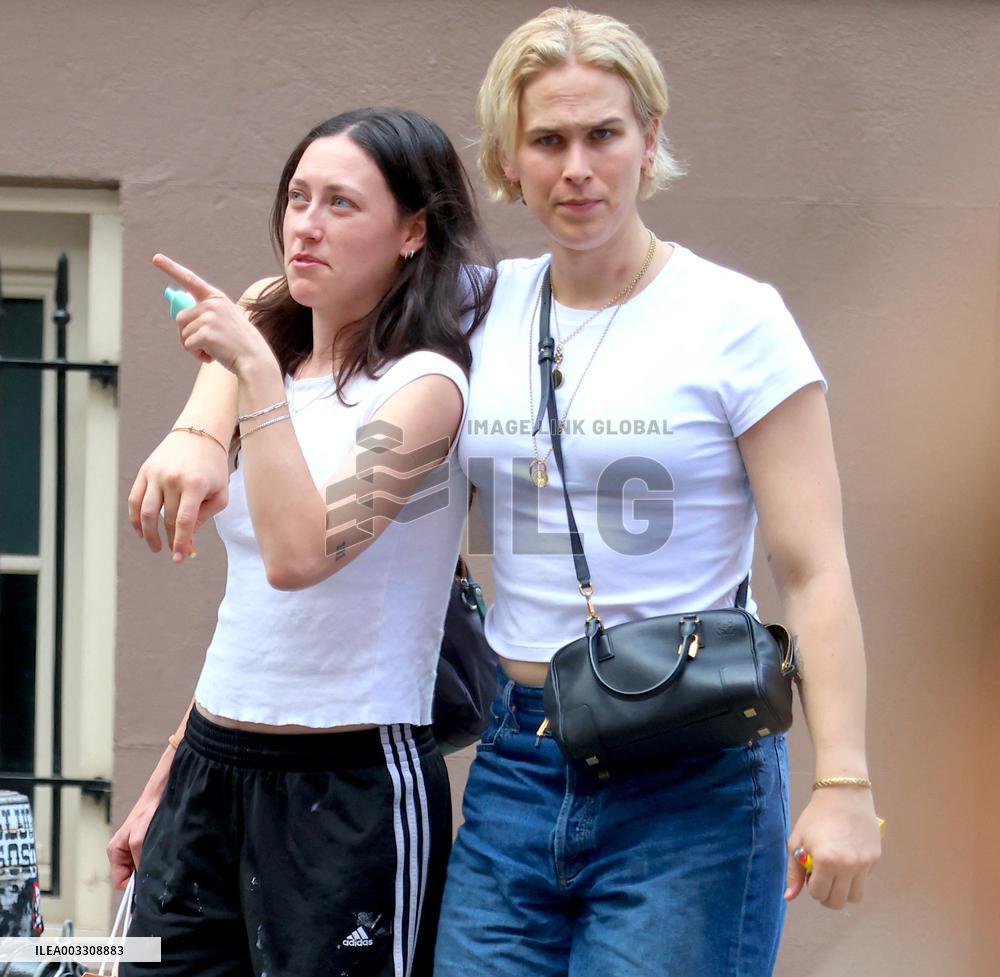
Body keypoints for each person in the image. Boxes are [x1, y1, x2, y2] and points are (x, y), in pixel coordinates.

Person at [123, 9, 882, 976]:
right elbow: (276, 298)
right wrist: (197, 428)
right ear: (505, 163)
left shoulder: (735, 322)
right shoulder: (481, 305)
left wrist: (845, 779)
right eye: (547, 140)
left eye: (604, 134)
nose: (577, 168)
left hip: (691, 766)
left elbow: (813, 569)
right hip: (524, 762)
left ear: (649, 142)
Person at [110, 106, 495, 977]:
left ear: (412, 231)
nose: (306, 225)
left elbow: (298, 555)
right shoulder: (270, 354)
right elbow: (252, 613)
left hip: (351, 781)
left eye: (341, 205)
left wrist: (249, 371)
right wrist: (171, 771)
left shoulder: (425, 385)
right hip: (215, 759)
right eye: (296, 198)